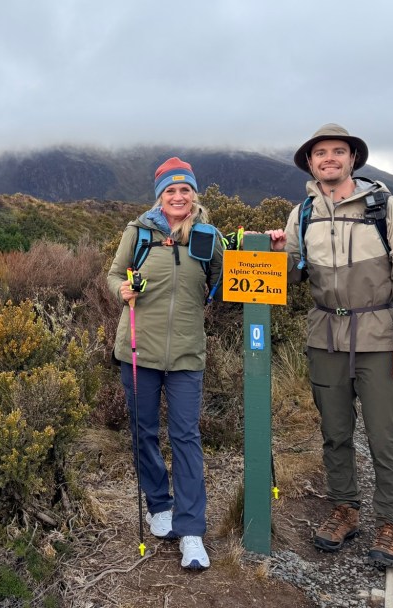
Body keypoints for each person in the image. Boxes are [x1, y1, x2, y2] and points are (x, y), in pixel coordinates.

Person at [267, 124, 393, 567]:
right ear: (310, 162)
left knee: (385, 434)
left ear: (352, 159)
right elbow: (295, 274)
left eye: (338, 151)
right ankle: (345, 509)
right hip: (325, 338)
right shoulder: (303, 213)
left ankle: (392, 523)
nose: (330, 158)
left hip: (380, 338)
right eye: (321, 153)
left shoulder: (385, 206)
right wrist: (279, 254)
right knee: (335, 432)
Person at [106, 157, 224, 570]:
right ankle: (159, 505)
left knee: (186, 437)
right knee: (144, 432)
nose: (178, 196)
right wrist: (121, 289)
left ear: (194, 194)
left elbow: (223, 282)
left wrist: (266, 249)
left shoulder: (209, 236)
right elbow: (113, 274)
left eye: (184, 189)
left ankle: (191, 530)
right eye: (170, 190)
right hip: (139, 351)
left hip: (187, 354)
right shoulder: (138, 232)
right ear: (160, 196)